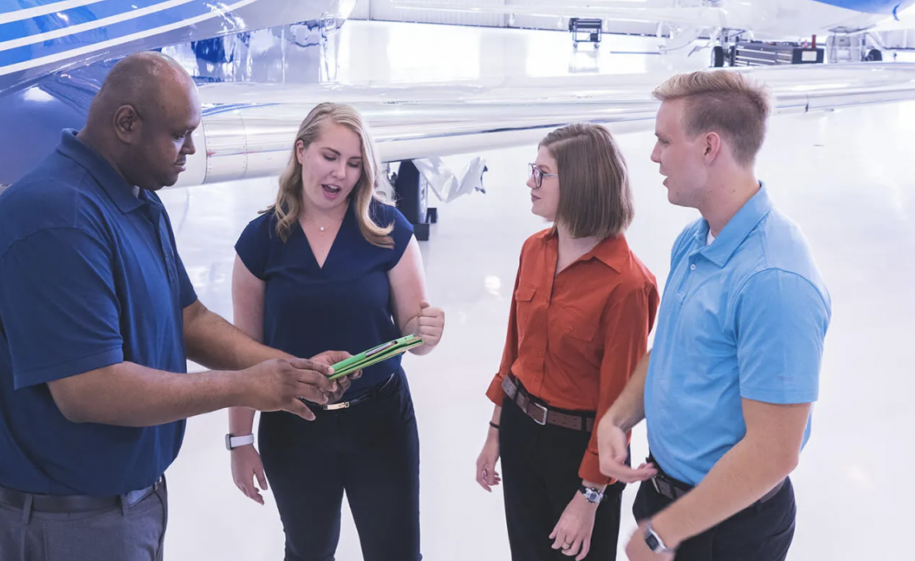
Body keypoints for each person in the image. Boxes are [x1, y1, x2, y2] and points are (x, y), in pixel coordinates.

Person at [0, 52, 353, 561]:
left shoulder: (136, 198)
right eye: (178, 134)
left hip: (120, 508)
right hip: (60, 526)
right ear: (126, 123)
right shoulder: (57, 218)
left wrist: (288, 371)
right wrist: (245, 387)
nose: (191, 148)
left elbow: (187, 318)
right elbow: (88, 390)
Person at [596, 70, 831, 561]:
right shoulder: (698, 238)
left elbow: (774, 451)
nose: (654, 155)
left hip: (724, 528)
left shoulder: (773, 280)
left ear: (709, 147)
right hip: (666, 498)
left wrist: (664, 534)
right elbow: (673, 350)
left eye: (663, 141)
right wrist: (617, 419)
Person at [228, 102, 445, 561]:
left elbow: (411, 326)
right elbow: (241, 353)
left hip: (380, 420)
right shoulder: (260, 241)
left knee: (397, 552)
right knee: (308, 552)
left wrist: (424, 331)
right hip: (294, 422)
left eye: (353, 163)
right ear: (301, 151)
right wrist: (240, 441)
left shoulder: (389, 229)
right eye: (330, 156)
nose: (340, 174)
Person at [476, 123, 659, 561]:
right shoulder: (534, 250)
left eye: (542, 173)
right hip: (521, 431)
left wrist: (590, 496)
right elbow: (513, 352)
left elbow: (620, 405)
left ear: (579, 182)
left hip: (580, 454)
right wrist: (495, 431)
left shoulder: (628, 285)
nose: (529, 182)